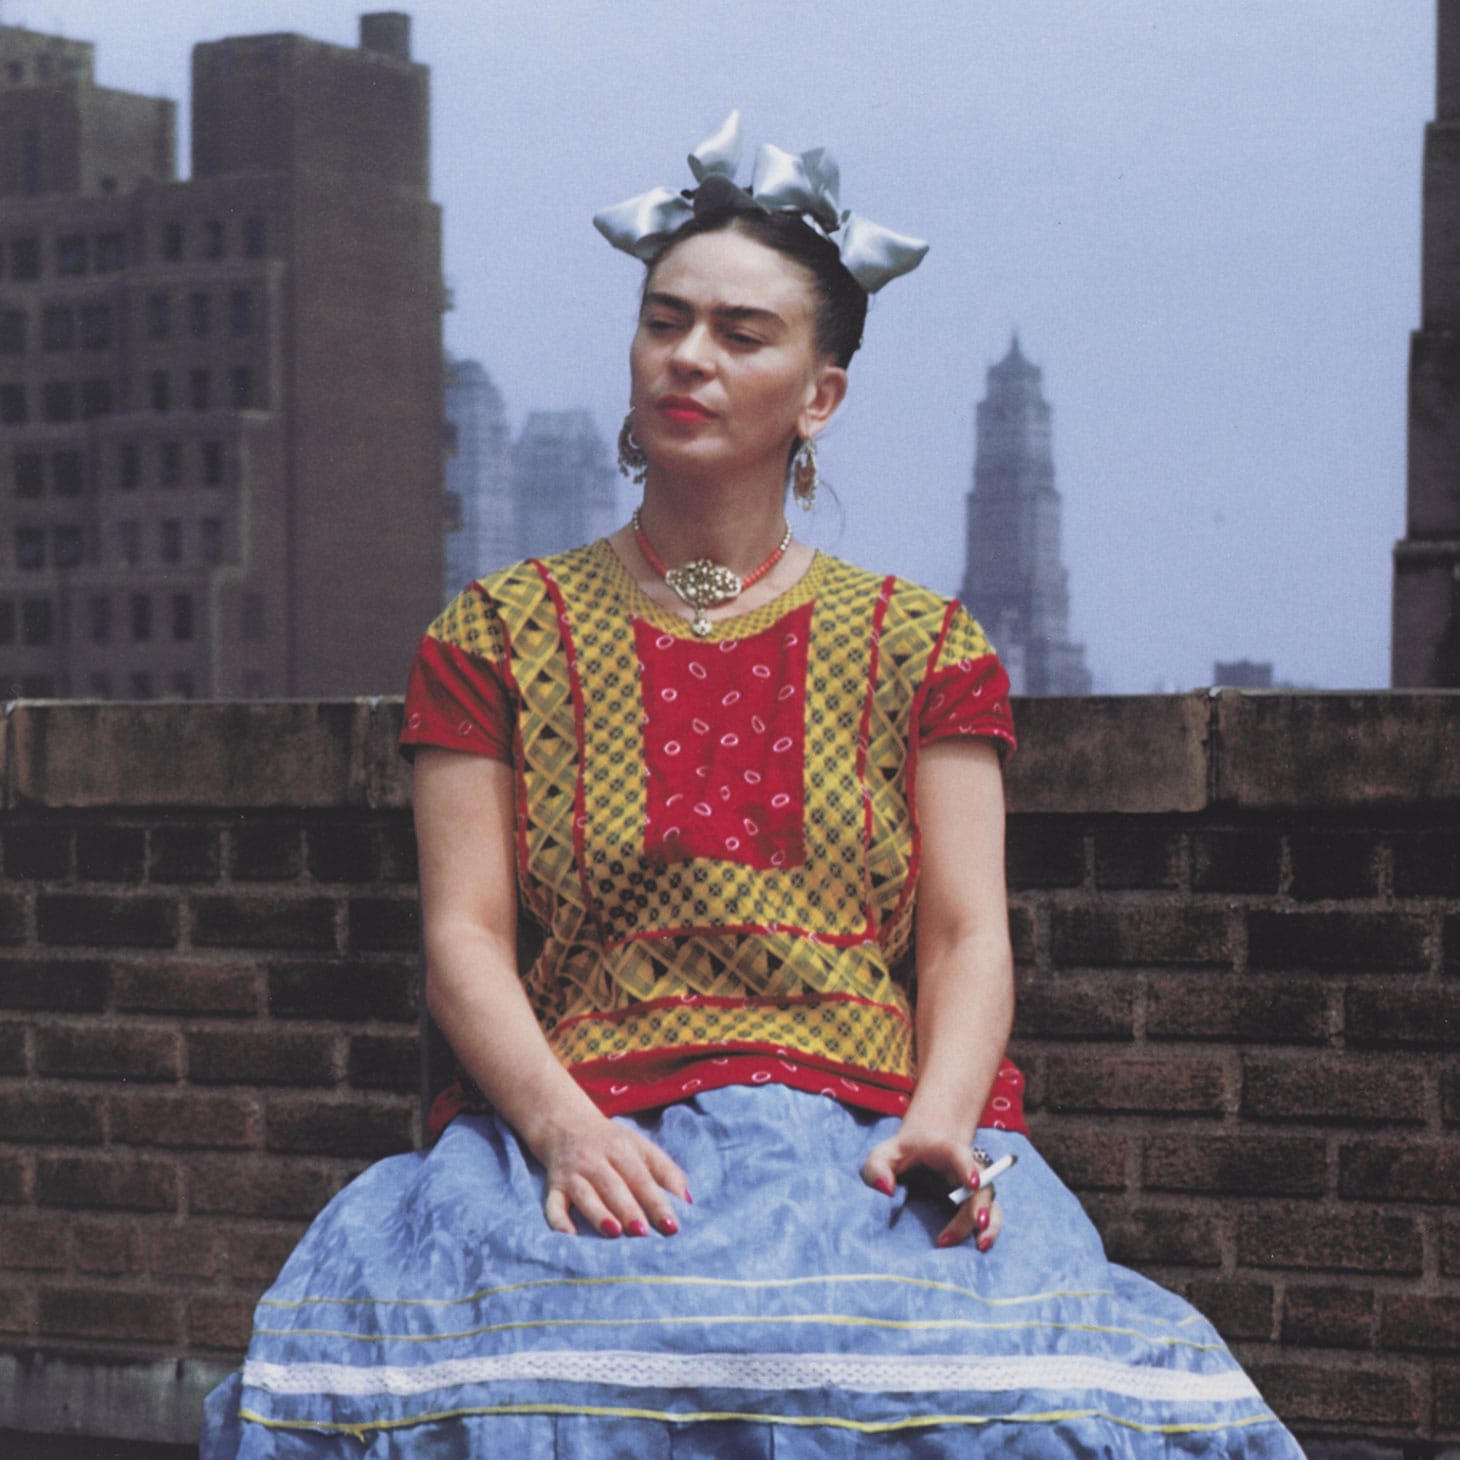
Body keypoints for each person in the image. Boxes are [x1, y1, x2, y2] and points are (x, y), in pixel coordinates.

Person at [202, 113, 1301, 1457]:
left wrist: (942, 1123)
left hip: (867, 1138)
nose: (690, 357)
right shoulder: (491, 634)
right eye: (665, 321)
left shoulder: (922, 646)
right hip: (594, 1123)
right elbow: (466, 937)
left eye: (742, 333)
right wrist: (562, 1132)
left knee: (1025, 1399)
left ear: (820, 394)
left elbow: (964, 934)